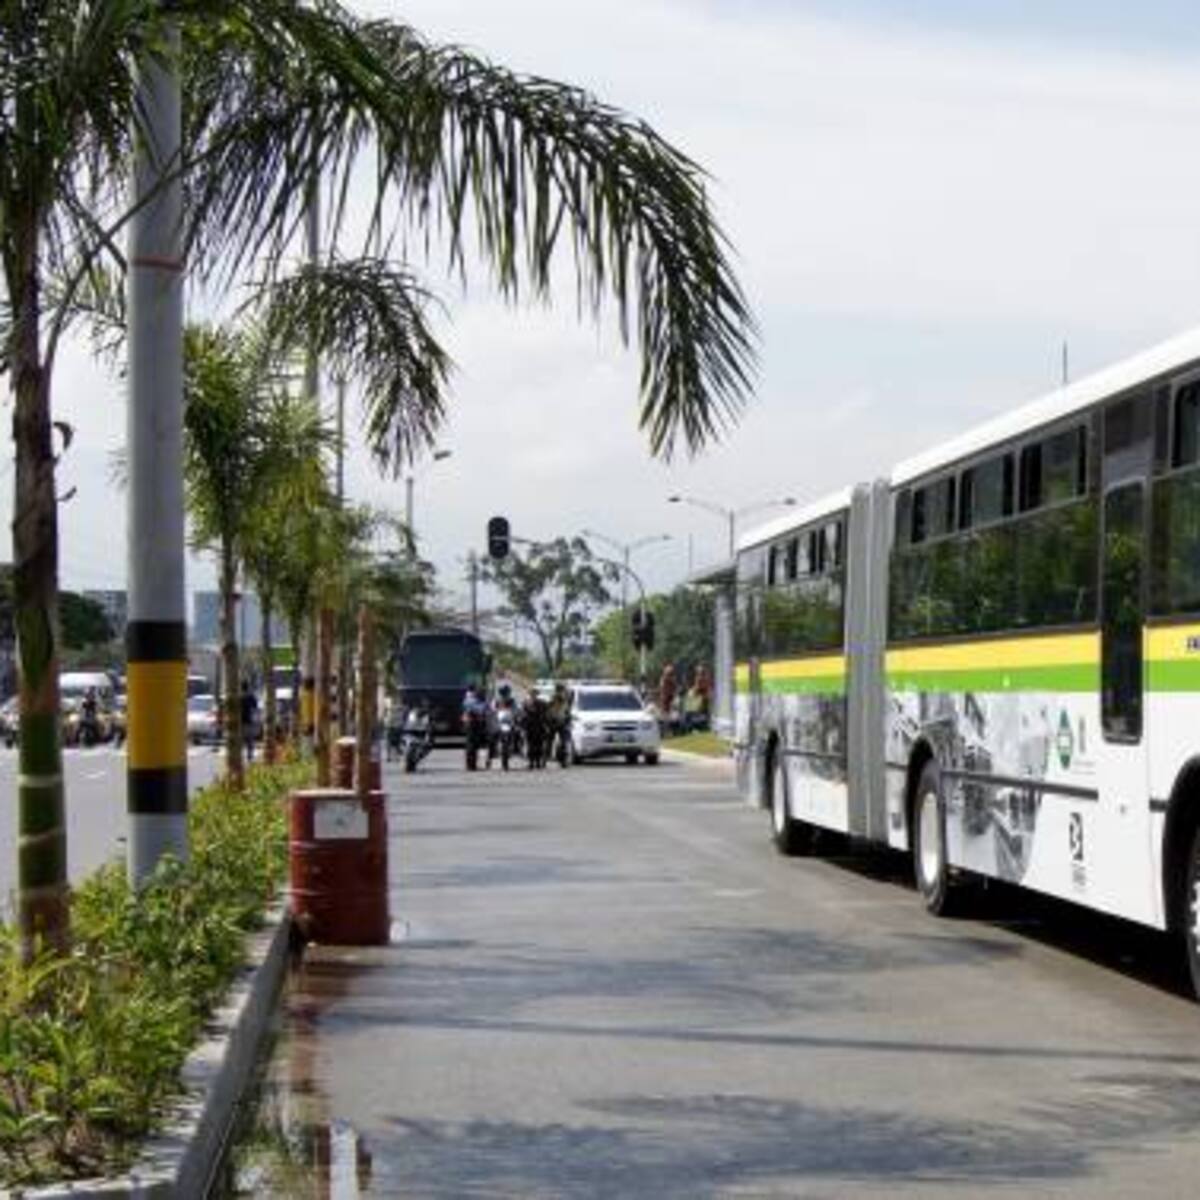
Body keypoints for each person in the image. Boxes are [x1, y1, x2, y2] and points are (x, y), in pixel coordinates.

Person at [546, 682, 572, 767]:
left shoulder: (565, 699)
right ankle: (547, 755)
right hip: (554, 722)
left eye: (561, 690)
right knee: (550, 739)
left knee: (564, 740)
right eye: (560, 690)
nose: (561, 692)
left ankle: (562, 757)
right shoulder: (555, 698)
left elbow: (567, 710)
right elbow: (548, 710)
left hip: (561, 722)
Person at [240, 680, 259, 761]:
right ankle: (249, 755)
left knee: (240, 740)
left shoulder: (238, 696)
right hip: (248, 720)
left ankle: (239, 755)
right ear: (248, 687)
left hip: (239, 721)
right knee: (249, 740)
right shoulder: (250, 696)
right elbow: (255, 706)